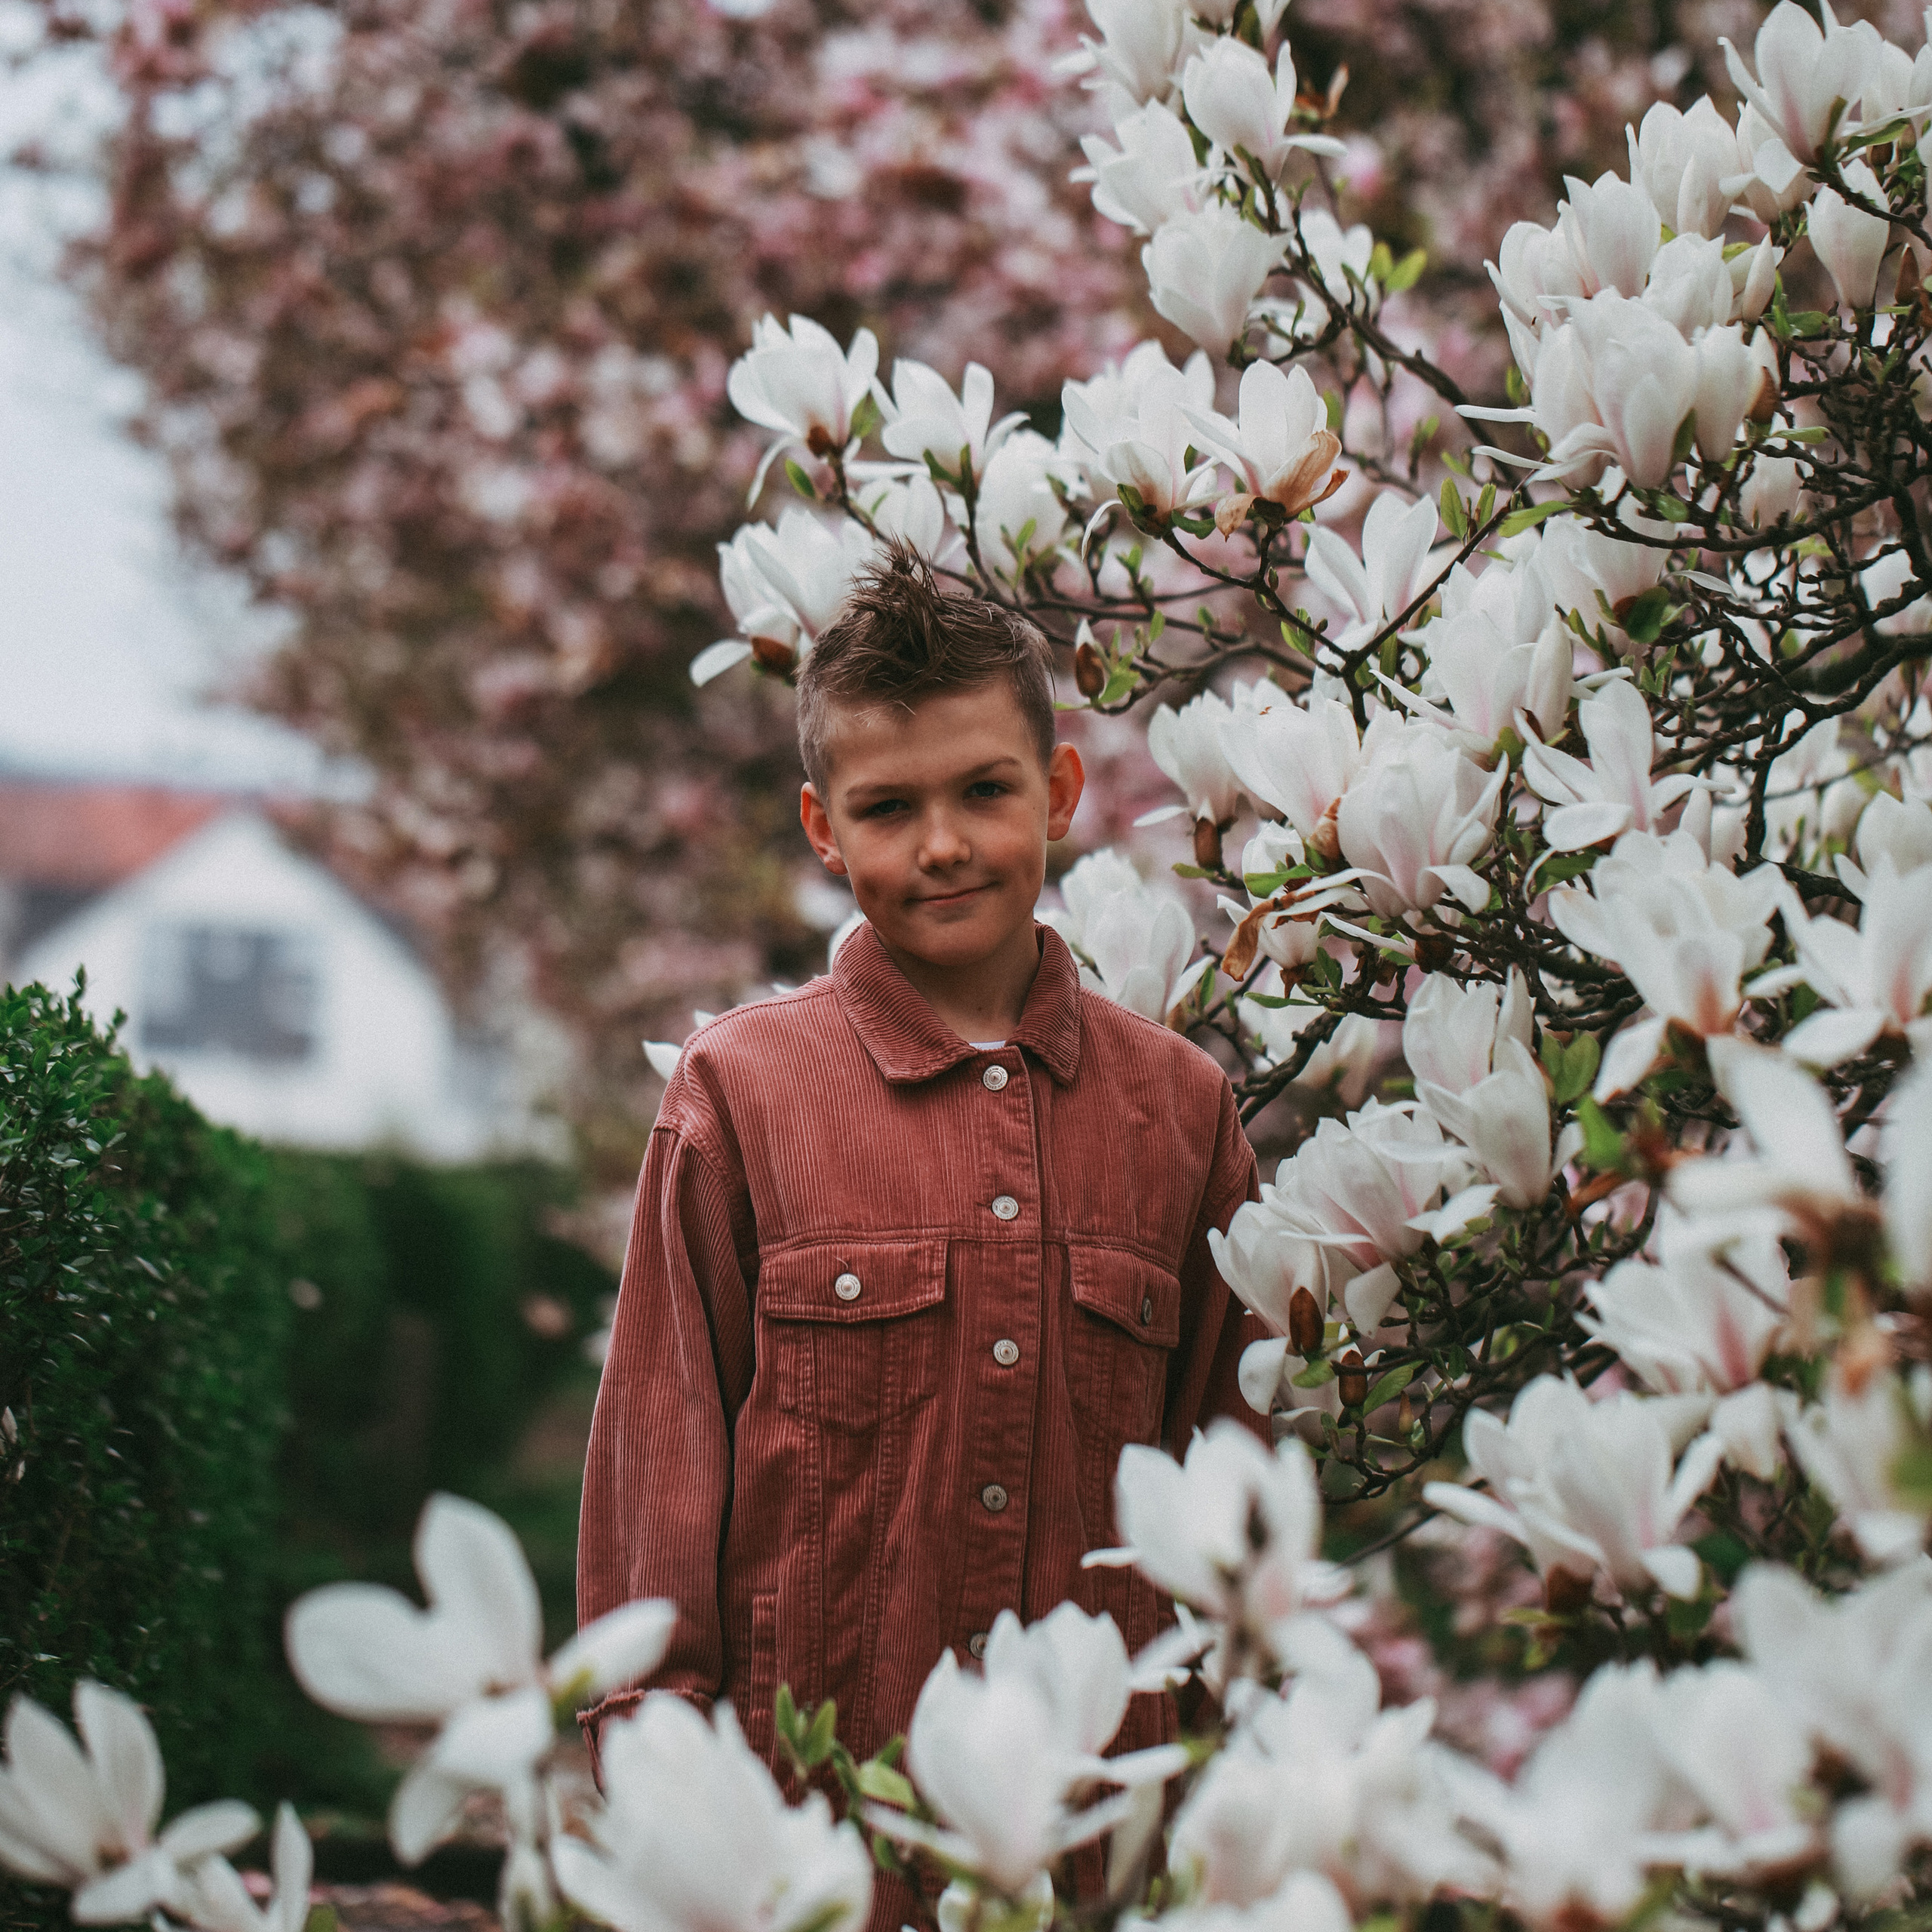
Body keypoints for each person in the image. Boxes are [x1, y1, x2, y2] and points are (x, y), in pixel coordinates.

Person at [576, 543, 1268, 1914]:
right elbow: (660, 1477)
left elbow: (1230, 1479)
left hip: (1095, 1855)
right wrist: (667, 1802)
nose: (943, 845)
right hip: (816, 1857)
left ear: (1060, 793)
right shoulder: (739, 1097)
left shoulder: (1181, 1117)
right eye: (889, 807)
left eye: (985, 791)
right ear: (824, 828)